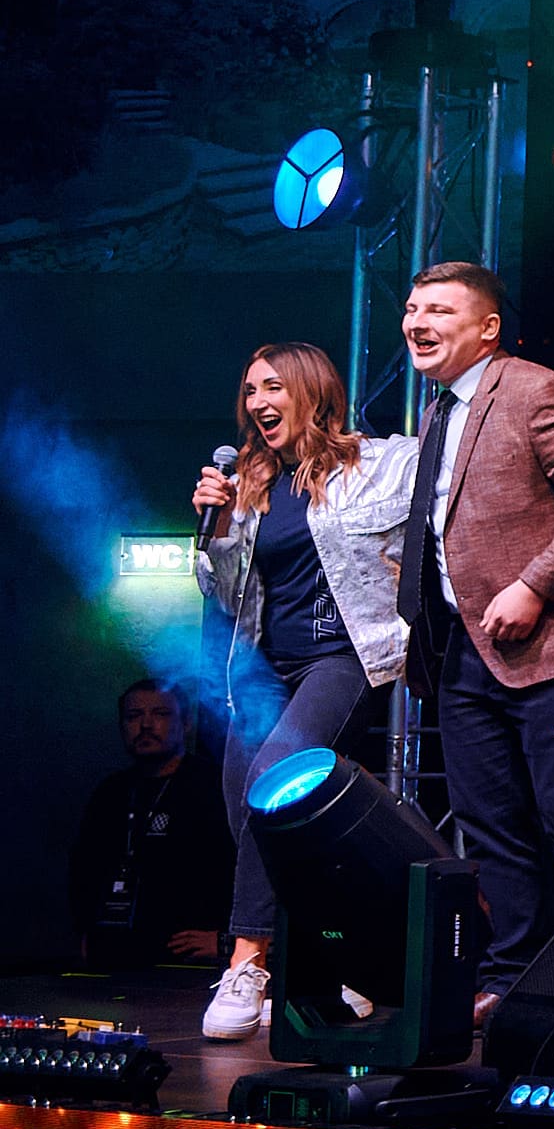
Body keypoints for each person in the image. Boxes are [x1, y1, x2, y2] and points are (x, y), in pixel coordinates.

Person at [392, 261, 554, 1004]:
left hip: (547, 644)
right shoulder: (438, 411)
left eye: (439, 310)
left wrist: (535, 585)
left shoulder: (532, 389)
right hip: (461, 648)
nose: (417, 322)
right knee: (488, 822)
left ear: (488, 327)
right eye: (412, 309)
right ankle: (513, 974)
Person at [190, 341, 417, 1035]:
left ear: (311, 391)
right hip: (266, 669)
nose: (258, 401)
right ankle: (339, 957)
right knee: (250, 809)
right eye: (249, 390)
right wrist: (216, 528)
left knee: (271, 780)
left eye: (272, 386)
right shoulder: (250, 484)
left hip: (341, 659)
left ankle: (248, 960)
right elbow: (224, 594)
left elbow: (443, 487)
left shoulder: (375, 465)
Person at [69, 682, 230, 974]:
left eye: (160, 714)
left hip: (186, 961)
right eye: (133, 716)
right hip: (112, 953)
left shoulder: (214, 787)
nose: (145, 725)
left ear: (186, 723)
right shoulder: (111, 793)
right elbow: (83, 871)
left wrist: (224, 940)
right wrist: (83, 935)